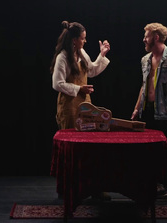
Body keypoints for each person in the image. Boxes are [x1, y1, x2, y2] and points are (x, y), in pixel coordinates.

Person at [50, 20, 111, 200]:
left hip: (85, 105)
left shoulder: (80, 52)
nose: (85, 41)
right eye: (83, 39)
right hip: (69, 107)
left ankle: (92, 188)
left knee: (89, 149)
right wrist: (78, 89)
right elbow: (57, 84)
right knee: (71, 149)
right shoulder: (63, 57)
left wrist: (102, 55)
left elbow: (91, 70)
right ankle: (69, 188)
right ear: (74, 40)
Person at [130, 22, 167, 203]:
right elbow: (144, 86)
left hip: (166, 113)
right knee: (151, 152)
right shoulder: (145, 59)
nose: (143, 39)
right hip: (148, 112)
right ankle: (160, 185)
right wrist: (136, 108)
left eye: (146, 36)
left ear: (155, 37)